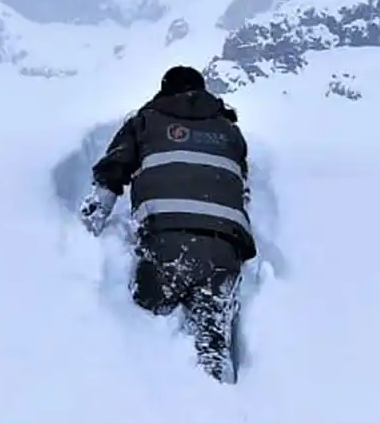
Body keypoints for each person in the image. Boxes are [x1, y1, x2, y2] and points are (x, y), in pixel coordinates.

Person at [78, 65, 256, 384]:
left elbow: (112, 171)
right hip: (224, 247)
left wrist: (91, 221)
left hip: (166, 242)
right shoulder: (231, 132)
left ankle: (155, 399)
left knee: (148, 329)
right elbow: (240, 185)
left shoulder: (145, 121)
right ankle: (218, 385)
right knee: (212, 335)